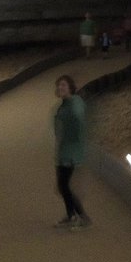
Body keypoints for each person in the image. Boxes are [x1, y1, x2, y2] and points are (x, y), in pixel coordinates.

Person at [53, 75, 91, 229]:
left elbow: (78, 118)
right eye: (59, 85)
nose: (60, 88)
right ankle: (72, 215)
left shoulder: (74, 103)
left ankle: (80, 217)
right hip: (65, 150)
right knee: (63, 185)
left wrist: (76, 142)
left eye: (63, 85)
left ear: (70, 87)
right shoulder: (66, 103)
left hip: (71, 151)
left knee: (63, 185)